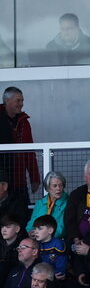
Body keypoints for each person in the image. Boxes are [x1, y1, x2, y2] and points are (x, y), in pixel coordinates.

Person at [0, 87, 40, 225]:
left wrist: (35, 177)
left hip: (20, 181)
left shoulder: (24, 123)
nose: (21, 104)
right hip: (2, 182)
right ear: (7, 101)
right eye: (18, 100)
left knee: (23, 218)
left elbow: (30, 152)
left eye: (22, 100)